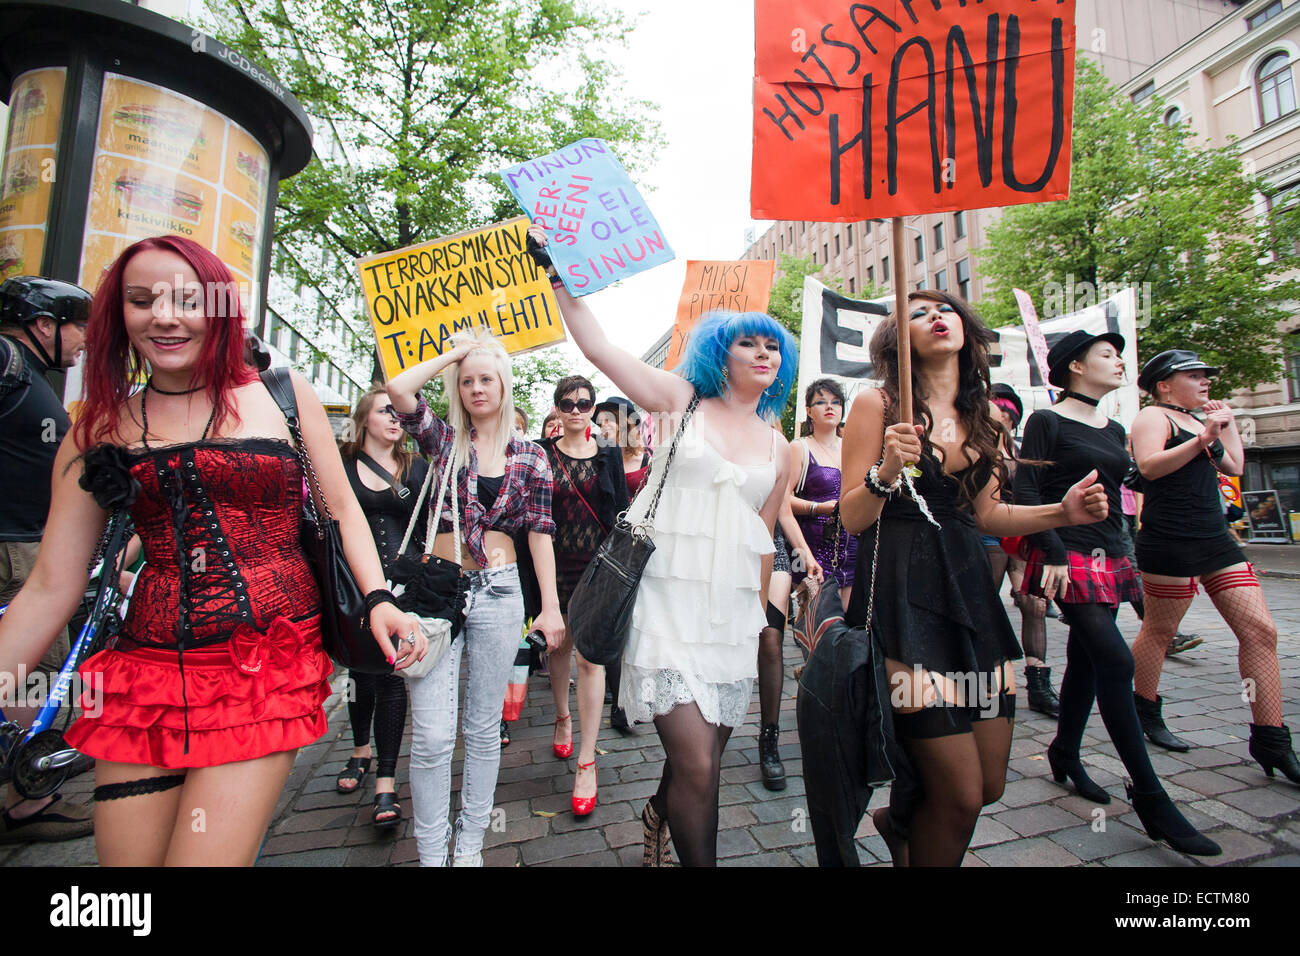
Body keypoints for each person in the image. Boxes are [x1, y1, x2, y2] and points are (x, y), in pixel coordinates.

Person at [0, 236, 422, 865]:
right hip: (143, 680)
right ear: (120, 315)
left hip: (262, 668)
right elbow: (49, 587)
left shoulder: (281, 392)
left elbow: (339, 508)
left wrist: (379, 597)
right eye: (141, 301)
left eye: (186, 300)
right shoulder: (98, 427)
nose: (163, 316)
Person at [530, 222, 794, 867]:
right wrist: (560, 276)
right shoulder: (681, 402)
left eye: (773, 346)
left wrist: (762, 617)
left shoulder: (778, 446)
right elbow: (599, 349)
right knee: (699, 765)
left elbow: (763, 538)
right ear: (718, 355)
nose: (764, 354)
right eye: (749, 344)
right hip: (666, 602)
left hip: (730, 615)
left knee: (703, 763)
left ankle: (657, 811)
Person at [836, 292, 1109, 867]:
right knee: (959, 796)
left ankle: (899, 820)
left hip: (972, 601)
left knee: (987, 787)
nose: (936, 318)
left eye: (946, 309)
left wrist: (1062, 513)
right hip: (903, 601)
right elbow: (853, 517)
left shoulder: (985, 417)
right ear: (896, 340)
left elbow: (987, 516)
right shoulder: (876, 405)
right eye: (916, 313)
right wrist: (887, 469)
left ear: (967, 328)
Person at [1015, 331, 1220, 855]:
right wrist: (1054, 551)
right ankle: (1150, 796)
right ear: (1075, 367)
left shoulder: (1117, 427)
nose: (1120, 362)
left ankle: (1064, 752)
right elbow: (1027, 491)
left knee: (1088, 659)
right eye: (1108, 355)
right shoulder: (1046, 420)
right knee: (1115, 661)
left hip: (1113, 553)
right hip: (1067, 556)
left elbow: (1133, 489)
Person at [387, 326, 563, 866]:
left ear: (505, 386)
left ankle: (469, 847)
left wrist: (551, 606)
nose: (477, 388)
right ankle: (431, 851)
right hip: (436, 593)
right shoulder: (444, 440)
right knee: (435, 735)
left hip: (500, 592)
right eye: (467, 381)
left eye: (487, 378)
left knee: (484, 729)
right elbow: (398, 391)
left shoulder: (532, 456)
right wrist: (456, 353)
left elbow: (540, 533)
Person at [1129, 350, 1298, 782]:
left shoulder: (1200, 420)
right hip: (1170, 541)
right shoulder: (1154, 417)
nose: (1206, 381)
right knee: (1160, 632)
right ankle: (1144, 710)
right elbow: (1148, 467)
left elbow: (1234, 467)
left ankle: (1270, 736)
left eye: (1207, 375)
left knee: (1261, 631)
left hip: (1216, 539)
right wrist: (1203, 437)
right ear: (1164, 384)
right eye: (1195, 375)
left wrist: (1227, 426)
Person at [0, 276, 95, 844]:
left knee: (36, 675)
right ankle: (24, 799)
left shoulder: (27, 375)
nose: (83, 341)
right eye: (78, 326)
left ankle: (26, 795)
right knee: (29, 672)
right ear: (44, 325)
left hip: (32, 545)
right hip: (17, 552)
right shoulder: (6, 359)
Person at [337, 387, 431, 827]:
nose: (394, 419)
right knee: (361, 674)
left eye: (398, 413)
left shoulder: (417, 467)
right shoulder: (340, 464)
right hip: (356, 582)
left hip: (403, 583)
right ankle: (360, 749)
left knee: (392, 672)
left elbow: (431, 526)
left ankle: (386, 781)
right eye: (383, 411)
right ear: (365, 418)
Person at [539, 374, 630, 814]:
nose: (576, 409)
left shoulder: (610, 456)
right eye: (567, 402)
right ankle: (561, 716)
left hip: (597, 569)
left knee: (589, 659)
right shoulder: (542, 454)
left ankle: (587, 760)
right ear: (556, 408)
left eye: (584, 402)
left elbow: (621, 514)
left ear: (593, 407)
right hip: (554, 567)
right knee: (559, 649)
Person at [986, 383, 1058, 717]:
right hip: (988, 538)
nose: (1000, 414)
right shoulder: (976, 447)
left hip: (1022, 538)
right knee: (985, 607)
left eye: (1005, 410)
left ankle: (1039, 685)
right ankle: (982, 677)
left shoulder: (1021, 450)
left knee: (1035, 604)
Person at [789, 378, 857, 608]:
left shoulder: (854, 447)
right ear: (809, 411)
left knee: (845, 627)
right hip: (812, 547)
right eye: (821, 402)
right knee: (815, 629)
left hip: (852, 547)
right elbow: (781, 500)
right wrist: (817, 507)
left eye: (836, 402)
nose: (830, 407)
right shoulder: (799, 448)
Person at [595, 396, 651, 495]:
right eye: (600, 423)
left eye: (607, 420)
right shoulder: (598, 460)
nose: (603, 425)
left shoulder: (648, 464)